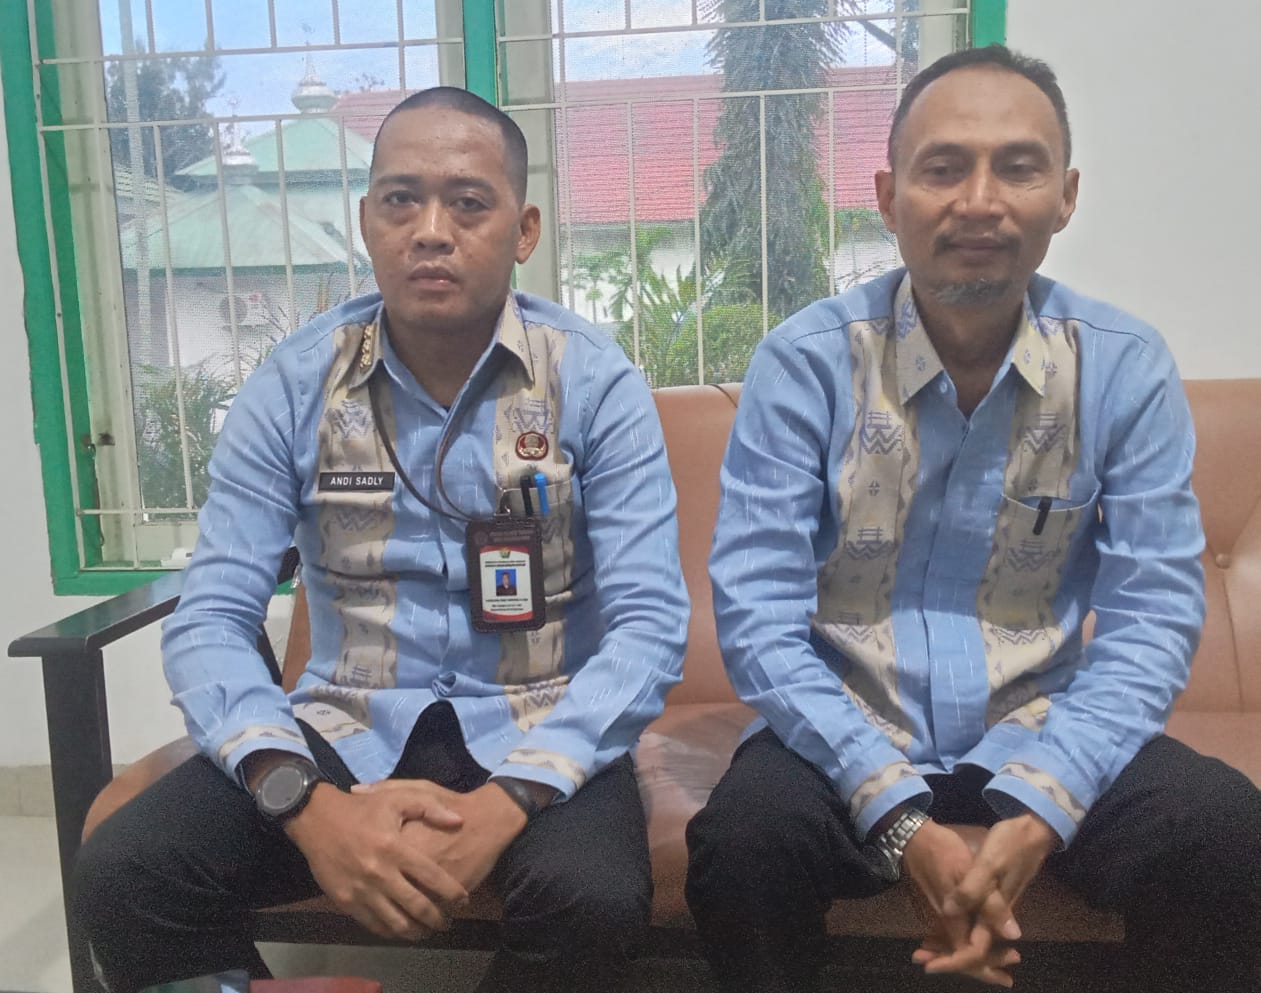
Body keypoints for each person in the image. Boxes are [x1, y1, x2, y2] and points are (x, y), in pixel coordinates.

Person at [72, 87, 689, 993]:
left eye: (467, 203)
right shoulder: (292, 386)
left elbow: (648, 626)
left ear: (523, 230)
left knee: (590, 896)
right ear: (366, 220)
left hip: (538, 712)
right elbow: (210, 617)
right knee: (126, 870)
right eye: (401, 200)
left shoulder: (594, 384)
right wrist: (305, 803)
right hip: (342, 718)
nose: (431, 231)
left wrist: (507, 802)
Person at [685, 45, 1261, 993]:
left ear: (1064, 197)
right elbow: (756, 619)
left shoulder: (1123, 368)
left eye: (1018, 167)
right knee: (744, 843)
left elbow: (1152, 618)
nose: (980, 201)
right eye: (943, 167)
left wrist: (1042, 811)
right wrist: (899, 818)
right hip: (845, 723)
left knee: (1223, 830)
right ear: (888, 196)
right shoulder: (804, 364)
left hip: (1040, 720)